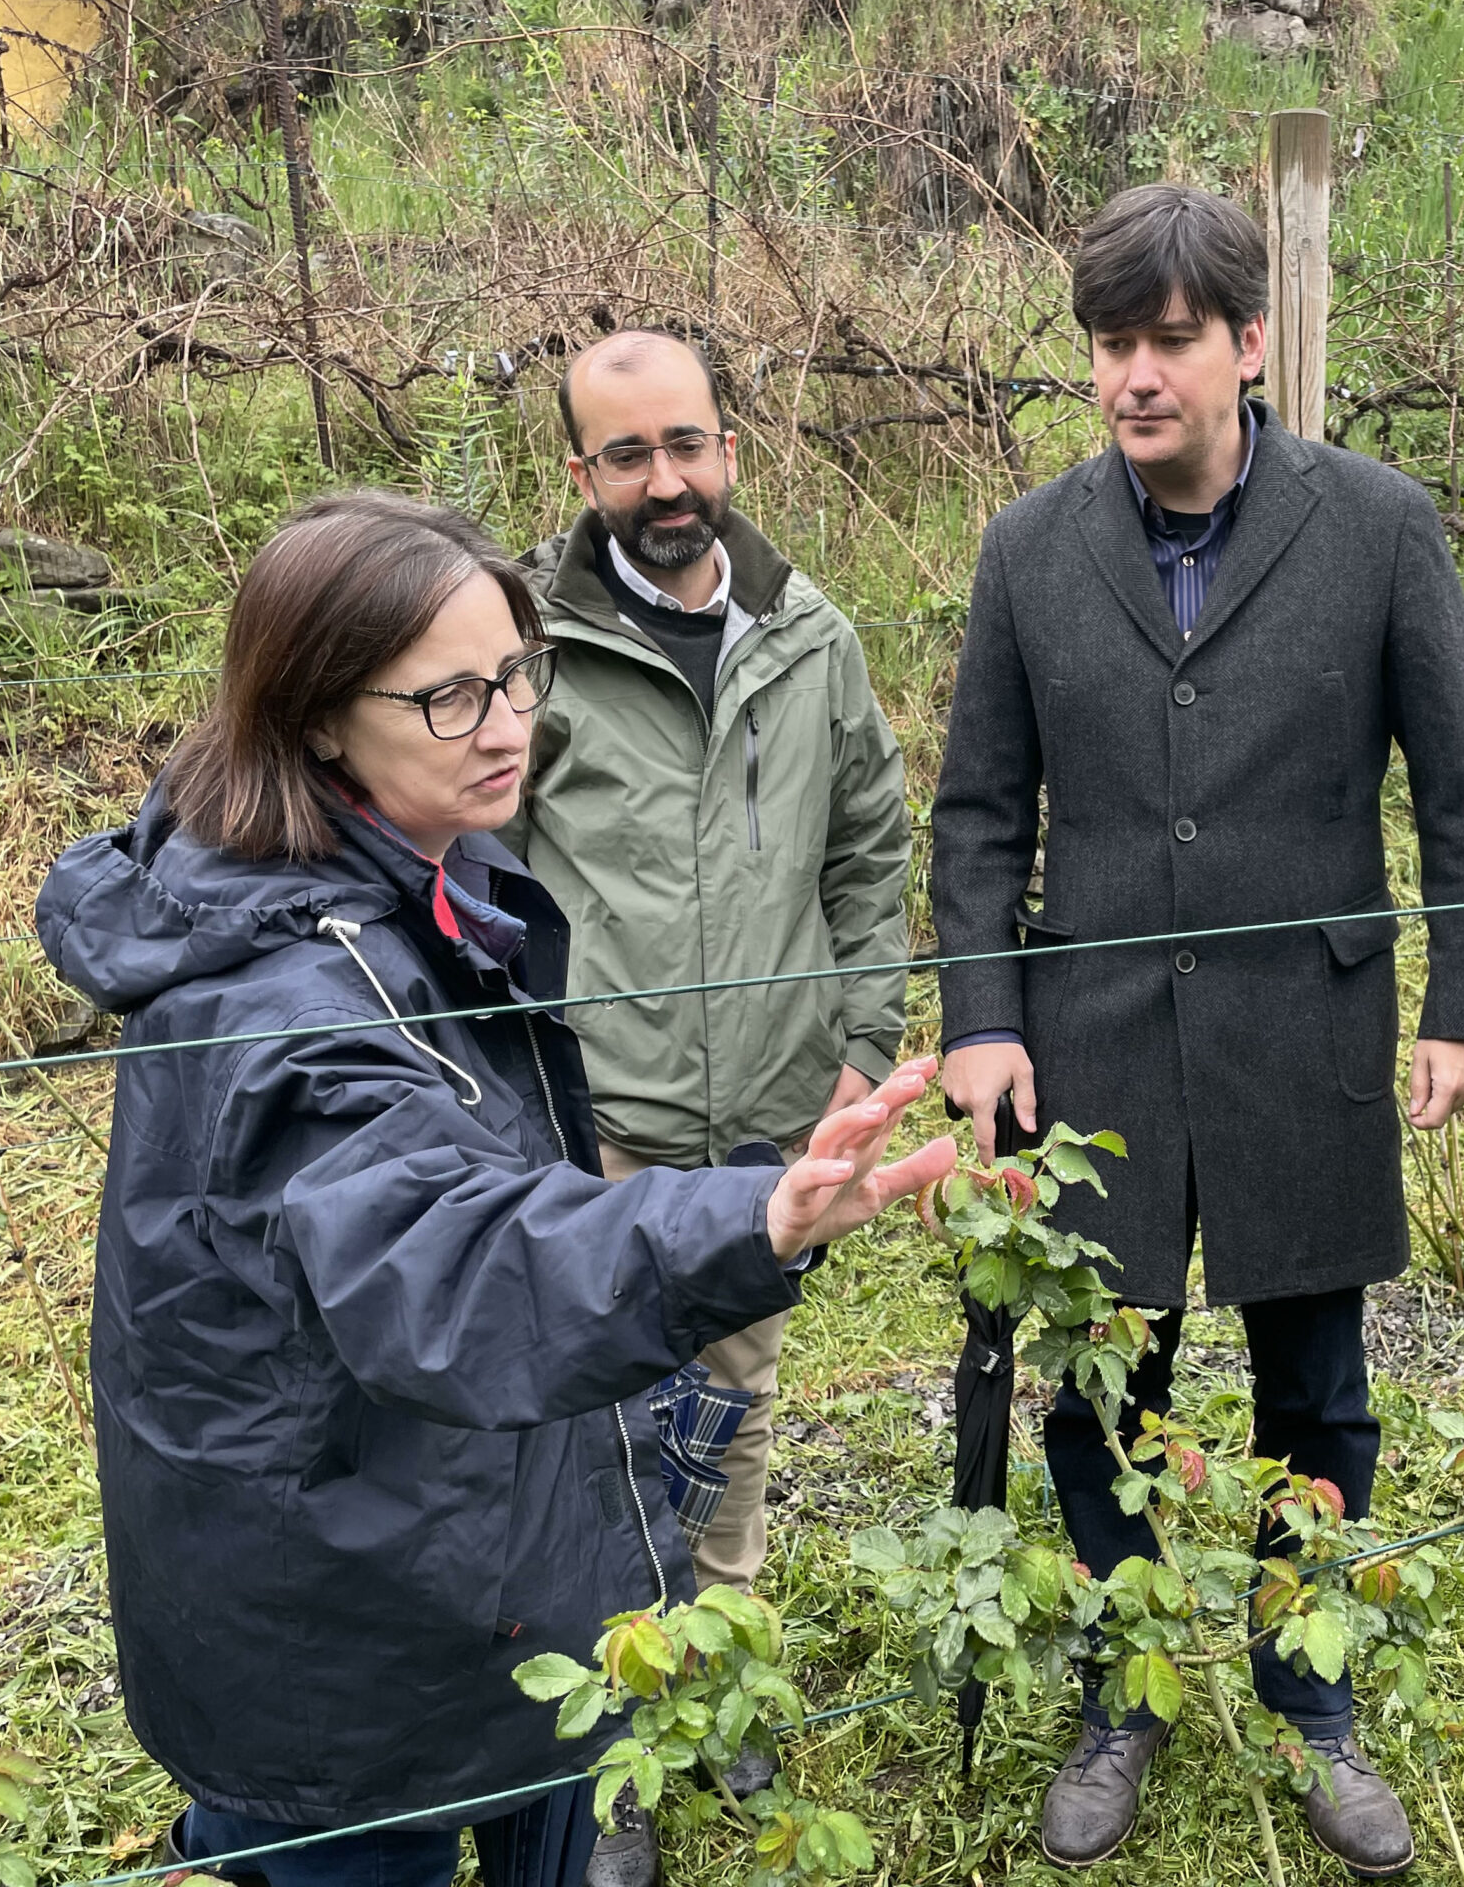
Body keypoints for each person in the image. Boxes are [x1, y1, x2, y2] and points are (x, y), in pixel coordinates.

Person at [36, 490, 953, 1887]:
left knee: (545, 1803)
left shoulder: (433, 866)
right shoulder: (288, 997)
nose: (510, 723)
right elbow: (452, 1257)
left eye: (519, 672)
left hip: (460, 1538)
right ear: (317, 714)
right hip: (340, 1628)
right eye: (452, 696)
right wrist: (747, 1217)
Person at [930, 183, 1464, 1879]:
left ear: (1248, 343)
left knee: (1315, 1390)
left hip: (1306, 1031)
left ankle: (1308, 1696)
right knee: (1100, 1387)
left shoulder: (1380, 524)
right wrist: (982, 1017)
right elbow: (978, 811)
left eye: (1170, 340)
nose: (1134, 375)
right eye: (1109, 344)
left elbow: (1463, 785)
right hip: (1092, 1039)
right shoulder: (1031, 549)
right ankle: (1120, 1688)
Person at [509, 329, 910, 1878]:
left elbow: (870, 849)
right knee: (597, 1427)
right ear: (582, 475)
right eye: (627, 456)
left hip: (767, 1119)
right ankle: (617, 1747)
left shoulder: (813, 638)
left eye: (687, 444)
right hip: (596, 1125)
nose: (664, 482)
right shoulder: (530, 649)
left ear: (731, 447)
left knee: (725, 1420)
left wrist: (862, 1044)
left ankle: (721, 1669)